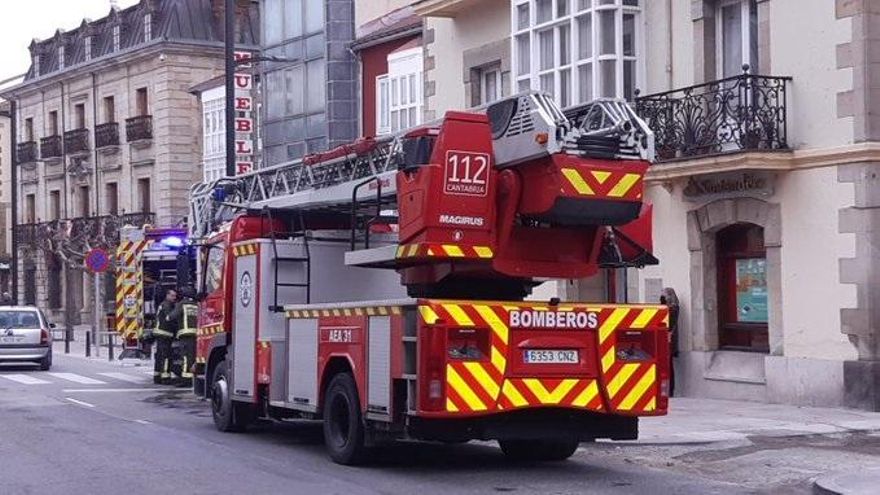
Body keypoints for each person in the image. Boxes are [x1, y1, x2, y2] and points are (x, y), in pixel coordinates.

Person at [168, 286, 198, 387]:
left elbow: (172, 316)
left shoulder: (182, 304)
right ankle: (192, 378)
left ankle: (186, 380)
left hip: (185, 335)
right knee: (193, 357)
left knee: (186, 357)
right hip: (195, 335)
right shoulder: (196, 305)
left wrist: (167, 317)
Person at [153, 288, 179, 385]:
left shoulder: (163, 304)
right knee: (166, 356)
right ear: (167, 295)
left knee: (159, 356)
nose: (174, 298)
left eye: (175, 296)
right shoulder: (167, 305)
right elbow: (170, 318)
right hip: (165, 334)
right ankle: (165, 377)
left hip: (161, 333)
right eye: (172, 296)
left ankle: (157, 376)